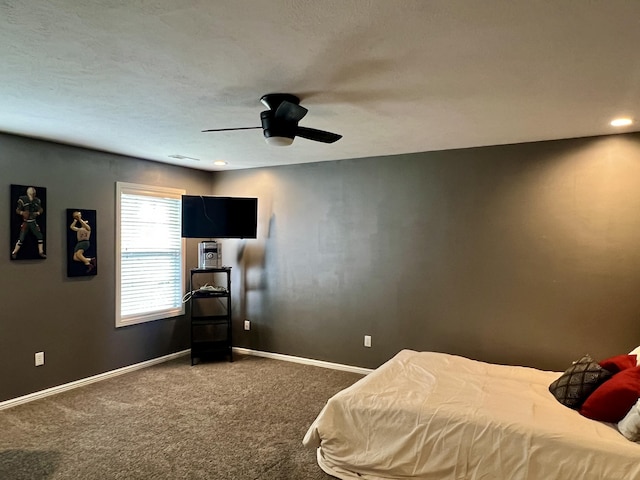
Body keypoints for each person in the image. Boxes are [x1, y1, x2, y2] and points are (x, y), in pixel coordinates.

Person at [11, 186, 46, 259]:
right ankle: (14, 252)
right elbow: (17, 210)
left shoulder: (37, 200)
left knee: (40, 236)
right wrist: (22, 213)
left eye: (33, 193)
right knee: (21, 238)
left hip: (33, 221)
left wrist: (37, 213)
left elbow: (40, 209)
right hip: (26, 222)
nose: (32, 194)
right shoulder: (23, 199)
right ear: (28, 193)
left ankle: (41, 252)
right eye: (31, 193)